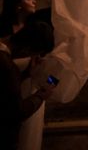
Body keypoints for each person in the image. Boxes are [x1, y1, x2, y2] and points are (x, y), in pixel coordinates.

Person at [0, 21, 56, 150]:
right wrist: (40, 96)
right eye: (34, 53)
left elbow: (3, 89)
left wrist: (25, 74)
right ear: (27, 48)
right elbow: (16, 112)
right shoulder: (7, 65)